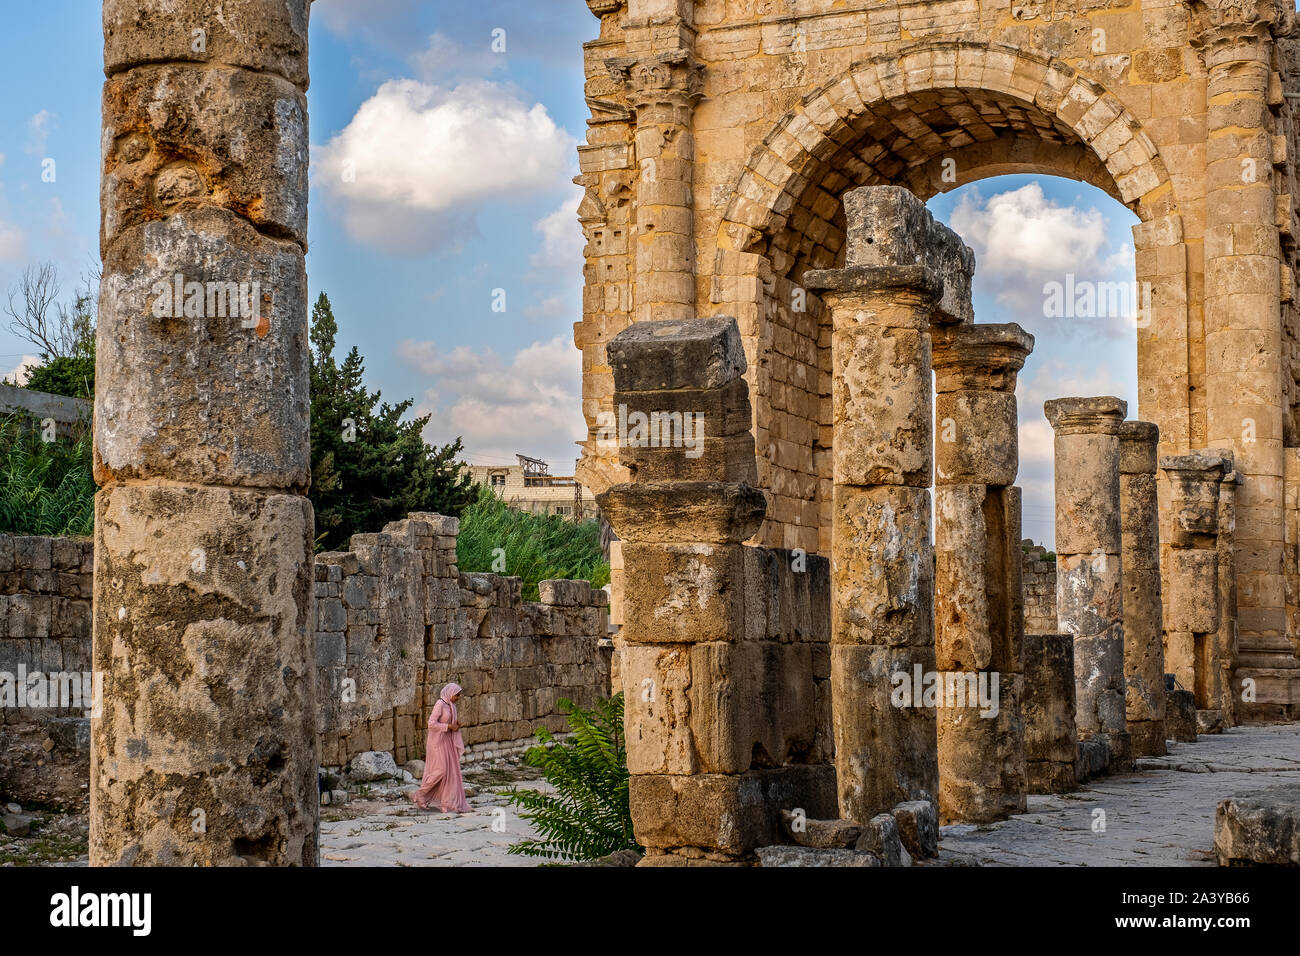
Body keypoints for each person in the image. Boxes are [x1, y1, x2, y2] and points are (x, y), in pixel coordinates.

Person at [411, 682, 471, 813]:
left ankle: (447, 801)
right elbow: (431, 724)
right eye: (457, 695)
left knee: (450, 772)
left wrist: (455, 724)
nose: (458, 697)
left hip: (447, 741)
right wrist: (449, 726)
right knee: (441, 770)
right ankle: (421, 793)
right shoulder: (440, 704)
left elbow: (448, 721)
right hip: (437, 742)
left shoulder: (451, 706)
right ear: (450, 693)